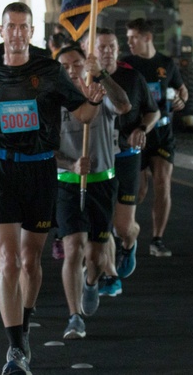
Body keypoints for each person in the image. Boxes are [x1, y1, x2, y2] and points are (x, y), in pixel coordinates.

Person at [0, 2, 104, 375]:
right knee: (7, 260)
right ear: (2, 30)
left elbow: (83, 114)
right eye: (12, 27)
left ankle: (24, 318)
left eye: (25, 27)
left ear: (32, 30)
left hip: (39, 169)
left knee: (30, 262)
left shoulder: (49, 70)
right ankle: (16, 346)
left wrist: (93, 96)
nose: (18, 33)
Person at [55, 44, 130, 340]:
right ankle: (74, 316)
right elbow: (46, 150)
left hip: (102, 182)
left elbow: (124, 106)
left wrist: (101, 76)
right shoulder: (52, 101)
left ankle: (91, 280)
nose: (71, 70)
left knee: (96, 256)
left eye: (76, 64)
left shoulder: (100, 95)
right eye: (64, 66)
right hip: (68, 184)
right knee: (73, 247)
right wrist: (70, 164)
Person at [94, 28, 159, 296]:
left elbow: (152, 112)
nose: (107, 52)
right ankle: (110, 275)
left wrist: (142, 129)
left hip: (126, 157)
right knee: (101, 221)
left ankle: (129, 242)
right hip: (98, 158)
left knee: (122, 226)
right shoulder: (84, 78)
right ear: (92, 51)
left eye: (112, 47)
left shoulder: (132, 77)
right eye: (102, 47)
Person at [123, 18, 187, 257]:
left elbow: (182, 90)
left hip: (162, 133)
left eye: (133, 38)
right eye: (128, 38)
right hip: (137, 134)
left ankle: (157, 239)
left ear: (147, 38)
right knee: (138, 191)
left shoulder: (166, 64)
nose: (128, 42)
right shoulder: (127, 64)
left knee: (163, 183)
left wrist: (182, 100)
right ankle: (125, 231)